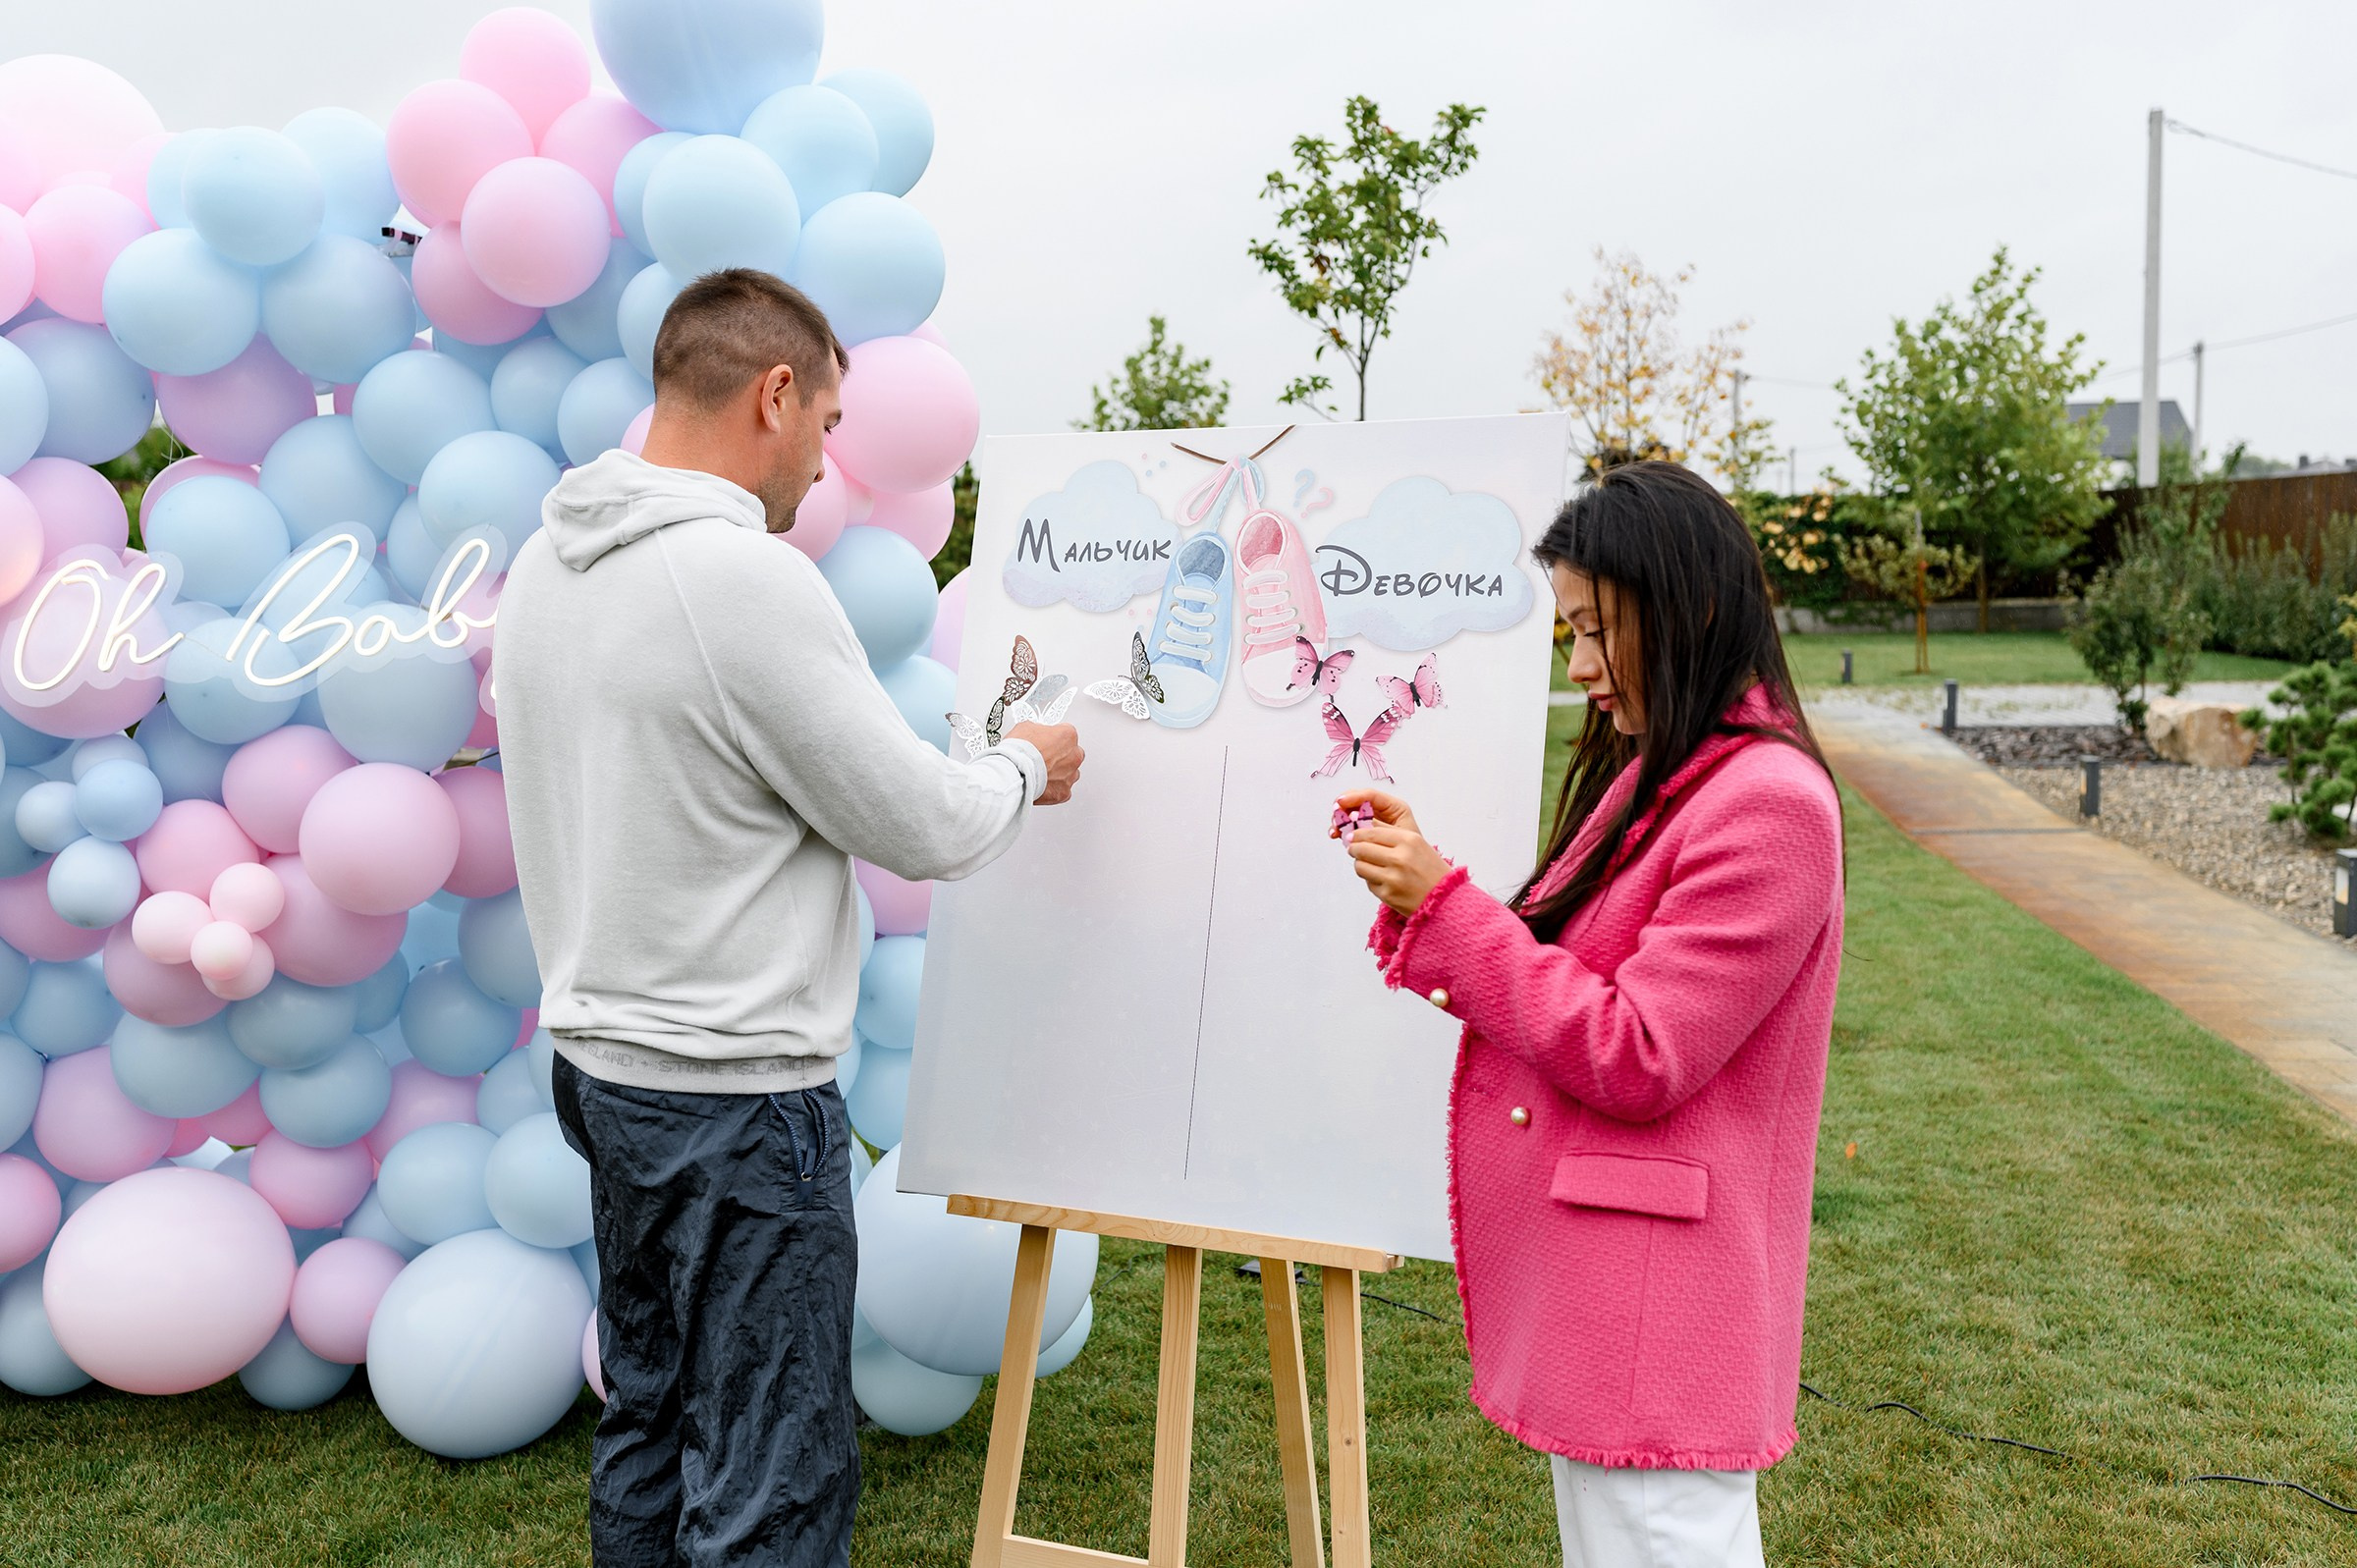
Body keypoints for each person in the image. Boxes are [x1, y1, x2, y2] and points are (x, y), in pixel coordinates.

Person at [497, 268, 1084, 1567]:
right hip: (732, 1097)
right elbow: (926, 826)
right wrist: (1030, 763)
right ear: (773, 395)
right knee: (772, 1464)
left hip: (602, 1072)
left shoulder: (546, 562)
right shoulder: (737, 580)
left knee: (649, 1416)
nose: (823, 468)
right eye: (824, 425)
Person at [1336, 460, 1842, 1567]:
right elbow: (1564, 950)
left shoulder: (1767, 803)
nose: (1582, 667)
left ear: (1692, 609)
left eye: (1598, 631)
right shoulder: (1677, 769)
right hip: (1624, 1300)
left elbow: (1640, 1050)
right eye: (1569, 633)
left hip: (1661, 1316)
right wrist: (1426, 892)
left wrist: (1444, 907)